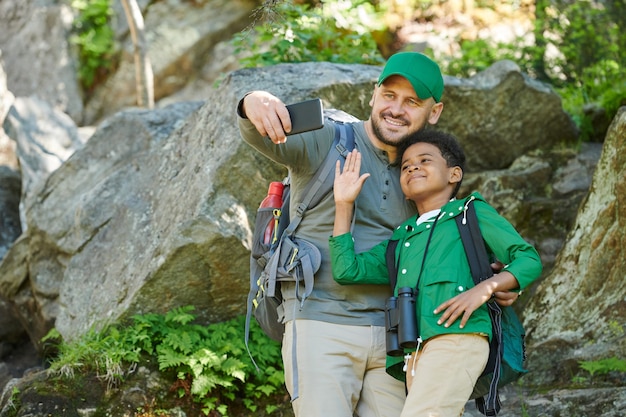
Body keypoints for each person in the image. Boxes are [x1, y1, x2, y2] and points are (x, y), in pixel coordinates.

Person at [236, 52, 518, 417]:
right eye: (389, 95)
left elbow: (434, 244)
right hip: (320, 324)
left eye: (411, 102)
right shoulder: (327, 139)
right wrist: (253, 102)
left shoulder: (422, 172)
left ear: (434, 113)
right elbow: (264, 136)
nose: (396, 109)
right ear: (373, 95)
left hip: (399, 338)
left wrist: (487, 278)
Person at [329, 129, 543, 417]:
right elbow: (347, 270)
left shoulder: (470, 213)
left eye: (425, 160)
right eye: (405, 166)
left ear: (454, 175)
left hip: (460, 336)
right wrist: (343, 205)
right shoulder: (401, 238)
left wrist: (486, 288)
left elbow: (527, 259)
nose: (413, 167)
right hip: (413, 353)